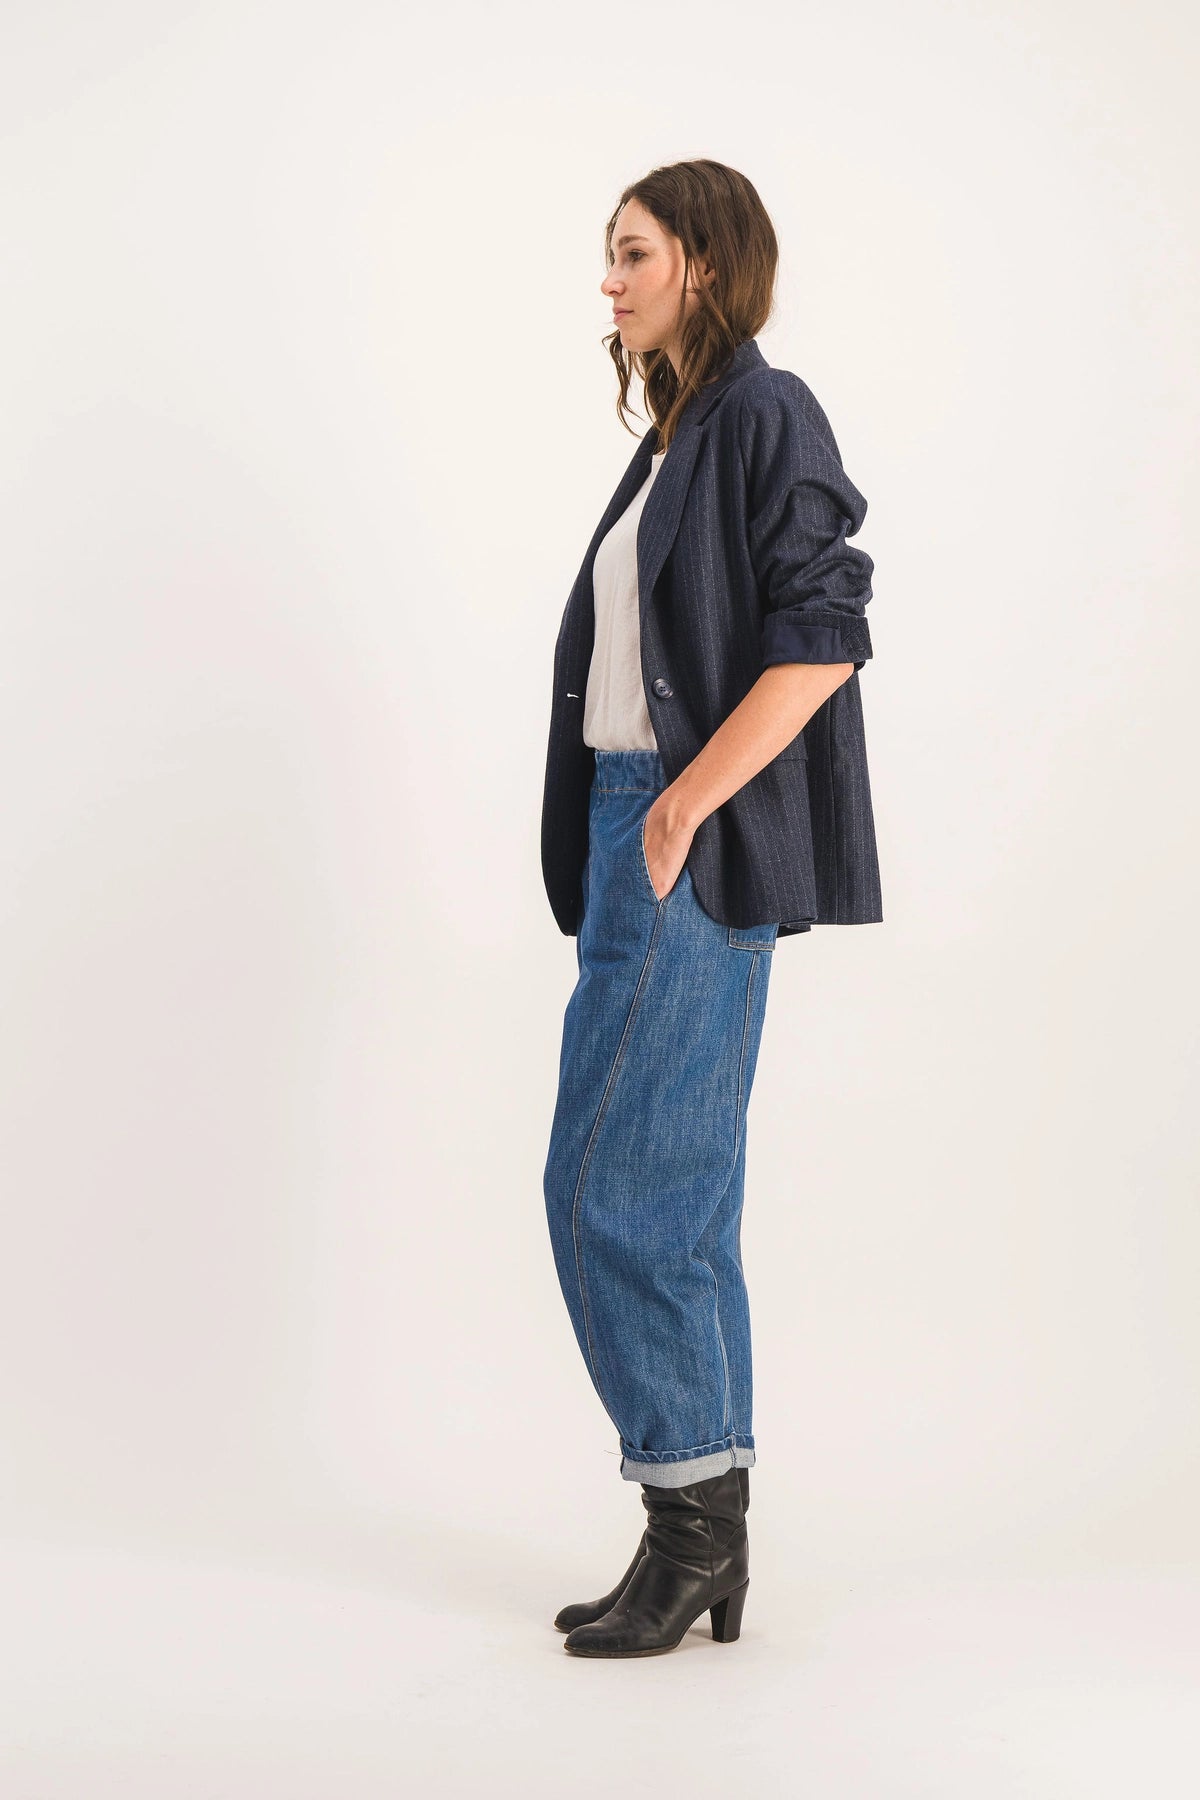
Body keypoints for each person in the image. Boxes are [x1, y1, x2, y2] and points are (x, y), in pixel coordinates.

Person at [540, 160, 882, 1659]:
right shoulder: (679, 434)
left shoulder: (762, 411)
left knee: (614, 1187)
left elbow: (825, 636)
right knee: (671, 1189)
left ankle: (691, 1530)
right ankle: (701, 1534)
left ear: (705, 262)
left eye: (633, 253)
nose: (610, 282)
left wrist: (680, 807)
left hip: (680, 832)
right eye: (609, 256)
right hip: (639, 823)